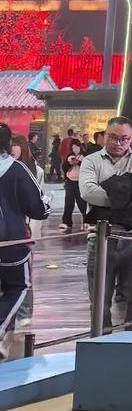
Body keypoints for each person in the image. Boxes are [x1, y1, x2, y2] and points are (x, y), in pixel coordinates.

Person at [78, 116, 132, 331]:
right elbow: (88, 192)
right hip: (100, 236)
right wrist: (127, 194)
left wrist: (109, 189)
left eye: (124, 139)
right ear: (104, 136)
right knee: (99, 300)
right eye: (113, 137)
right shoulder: (92, 160)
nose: (119, 143)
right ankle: (101, 342)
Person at [0, 122, 50, 348]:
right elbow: (38, 209)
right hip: (12, 241)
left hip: (11, 240)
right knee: (18, 285)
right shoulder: (17, 170)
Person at [60, 134, 86, 230]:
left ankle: (86, 220)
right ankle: (66, 222)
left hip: (80, 182)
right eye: (73, 148)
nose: (75, 149)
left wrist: (79, 163)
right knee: (68, 202)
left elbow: (87, 168)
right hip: (70, 181)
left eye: (76, 147)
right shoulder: (69, 156)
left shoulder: (84, 156)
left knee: (82, 202)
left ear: (80, 147)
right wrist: (69, 163)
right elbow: (64, 167)